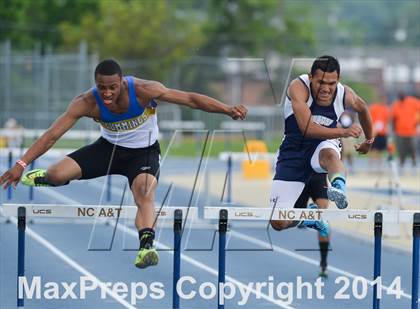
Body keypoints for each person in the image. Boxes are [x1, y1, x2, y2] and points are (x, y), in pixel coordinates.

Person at [0, 59, 248, 269]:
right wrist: (21, 163)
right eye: (102, 87)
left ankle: (146, 247)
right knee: (56, 173)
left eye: (112, 87)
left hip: (143, 153)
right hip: (108, 149)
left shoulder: (143, 90)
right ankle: (46, 177)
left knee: (144, 192)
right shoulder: (86, 102)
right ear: (95, 84)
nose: (107, 93)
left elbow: (191, 99)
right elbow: (52, 135)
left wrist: (226, 109)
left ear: (121, 82)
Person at [270, 55, 373, 236]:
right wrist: (343, 132)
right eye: (321, 82)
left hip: (322, 146)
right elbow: (307, 128)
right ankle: (308, 217)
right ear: (311, 78)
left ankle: (339, 186)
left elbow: (363, 108)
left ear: (338, 80)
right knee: (278, 221)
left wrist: (369, 141)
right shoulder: (298, 87)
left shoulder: (345, 94)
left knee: (330, 154)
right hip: (293, 151)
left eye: (331, 84)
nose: (326, 89)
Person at [271, 173, 331, 278]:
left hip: (318, 176)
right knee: (282, 221)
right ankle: (304, 219)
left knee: (322, 213)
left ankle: (323, 263)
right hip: (299, 175)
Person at [391, 92, 420, 168]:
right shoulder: (396, 104)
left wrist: (417, 121)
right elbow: (393, 118)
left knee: (413, 149)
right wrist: (393, 129)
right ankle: (401, 165)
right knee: (401, 150)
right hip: (400, 132)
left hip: (412, 132)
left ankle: (414, 165)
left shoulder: (413, 102)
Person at [369, 99, 391, 172]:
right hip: (375, 132)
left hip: (382, 133)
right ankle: (372, 167)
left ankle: (379, 167)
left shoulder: (386, 109)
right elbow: (370, 119)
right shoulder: (374, 108)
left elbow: (388, 120)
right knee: (373, 150)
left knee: (381, 150)